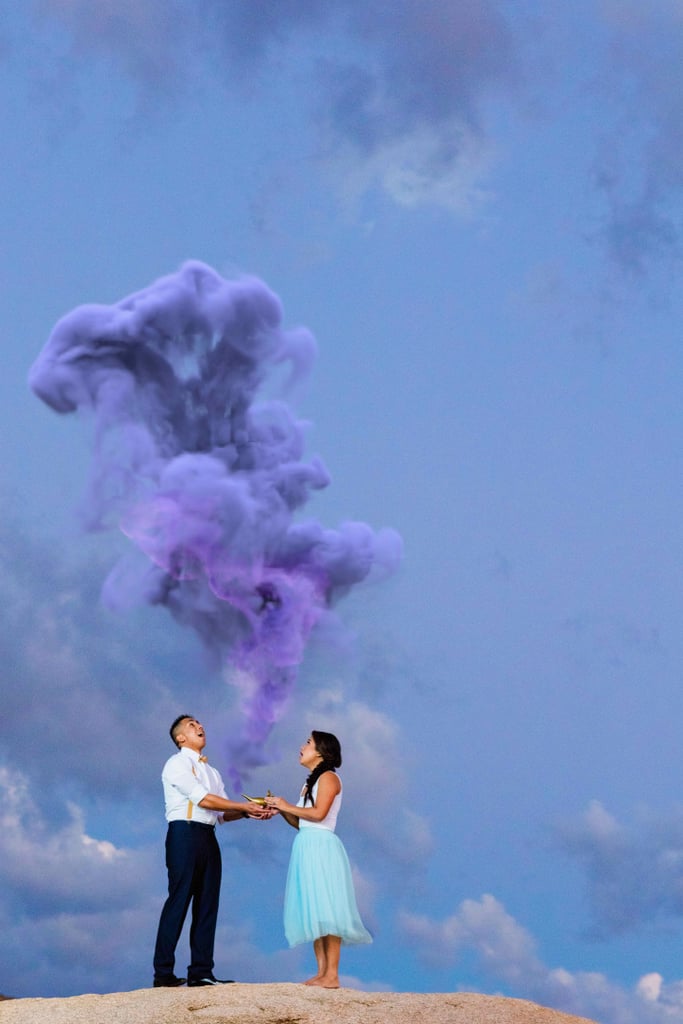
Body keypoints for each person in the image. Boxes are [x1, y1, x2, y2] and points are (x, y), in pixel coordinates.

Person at [153, 715, 273, 988]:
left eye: (200, 724)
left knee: (208, 904)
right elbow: (203, 798)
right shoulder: (176, 763)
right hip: (183, 833)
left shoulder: (213, 772)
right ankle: (163, 973)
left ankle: (201, 971)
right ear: (180, 737)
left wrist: (250, 812)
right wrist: (244, 807)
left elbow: (220, 813)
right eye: (192, 725)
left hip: (208, 835)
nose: (200, 727)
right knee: (179, 901)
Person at [265, 731, 372, 988]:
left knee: (328, 907)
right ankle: (322, 972)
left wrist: (286, 804)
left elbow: (319, 813)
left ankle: (332, 974)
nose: (302, 747)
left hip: (323, 846)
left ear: (321, 751)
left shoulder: (329, 778)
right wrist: (280, 809)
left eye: (308, 743)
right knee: (314, 907)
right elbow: (301, 821)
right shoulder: (309, 782)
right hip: (306, 843)